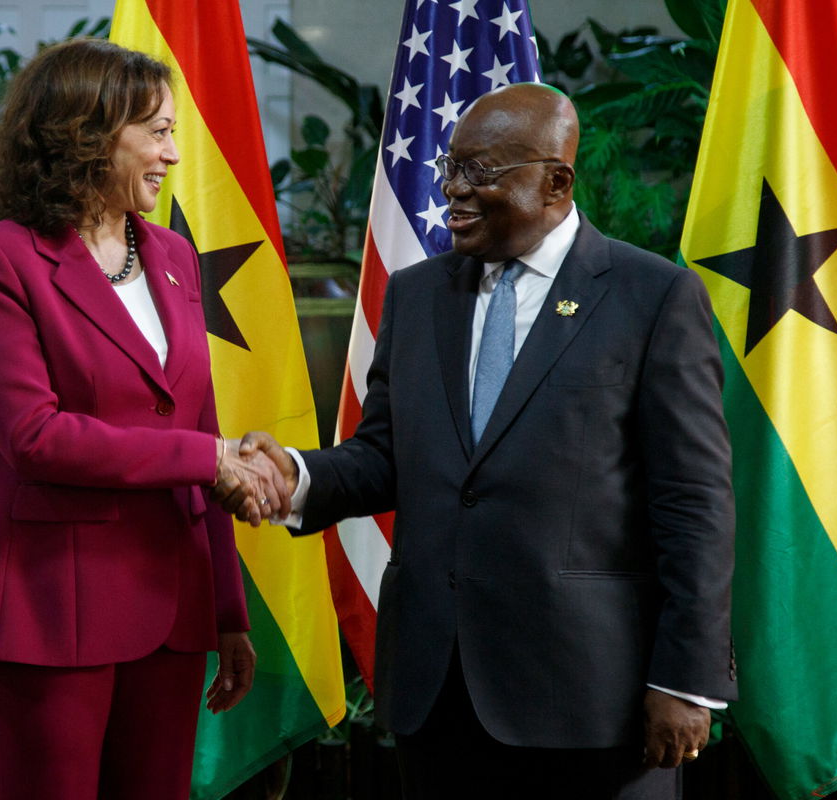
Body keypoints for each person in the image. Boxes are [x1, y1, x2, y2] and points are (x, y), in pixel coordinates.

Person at [236, 83, 735, 799]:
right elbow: (384, 456)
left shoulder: (650, 298)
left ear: (555, 182)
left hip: (593, 703)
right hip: (438, 698)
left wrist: (687, 678)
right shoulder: (415, 295)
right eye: (449, 169)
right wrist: (295, 476)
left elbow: (695, 504)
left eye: (478, 173)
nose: (451, 191)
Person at [0, 38, 288, 800]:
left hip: (174, 598)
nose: (172, 154)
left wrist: (228, 610)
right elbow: (34, 436)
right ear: (88, 135)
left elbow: (200, 420)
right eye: (156, 132)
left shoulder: (172, 256)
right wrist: (209, 459)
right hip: (46, 594)